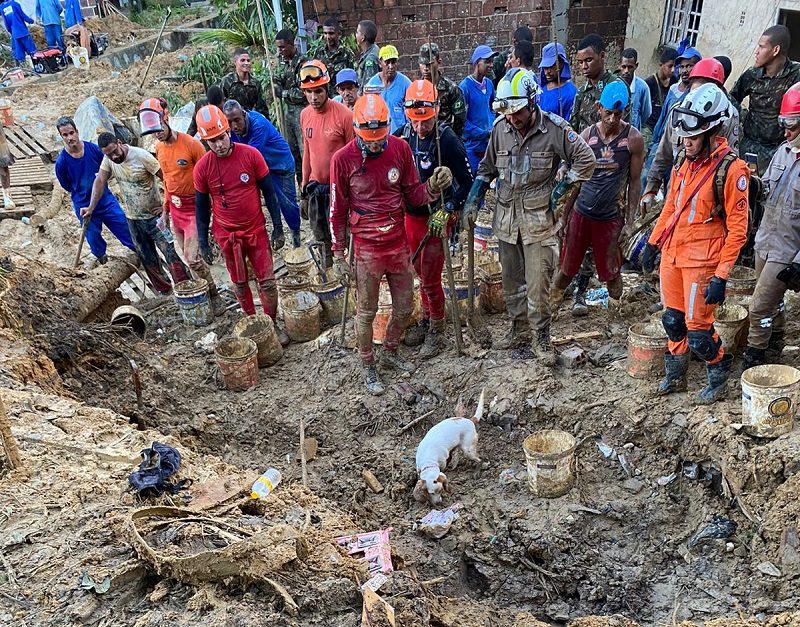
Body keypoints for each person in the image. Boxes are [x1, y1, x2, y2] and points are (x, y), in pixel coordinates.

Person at [462, 68, 596, 363]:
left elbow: (586, 160)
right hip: (507, 220)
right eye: (508, 113)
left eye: (518, 111)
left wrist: (561, 191)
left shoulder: (554, 130)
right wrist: (473, 200)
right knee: (512, 283)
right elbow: (486, 171)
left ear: (532, 102)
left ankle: (541, 337)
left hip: (539, 222)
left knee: (538, 284)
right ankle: (518, 329)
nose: (513, 118)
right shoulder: (500, 129)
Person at [329, 94, 452, 394]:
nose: (375, 145)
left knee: (405, 305)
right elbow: (337, 210)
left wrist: (433, 187)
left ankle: (391, 350)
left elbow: (413, 196)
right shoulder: (342, 160)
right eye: (369, 140)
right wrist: (337, 253)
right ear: (357, 131)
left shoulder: (400, 149)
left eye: (380, 139)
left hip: (396, 240)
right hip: (366, 245)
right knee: (367, 312)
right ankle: (368, 363)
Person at [641, 84, 749, 403]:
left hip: (703, 261)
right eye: (684, 137)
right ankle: (676, 378)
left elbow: (738, 229)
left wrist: (722, 275)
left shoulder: (732, 170)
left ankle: (718, 372)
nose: (685, 142)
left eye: (692, 137)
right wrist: (653, 242)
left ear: (712, 132)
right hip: (674, 254)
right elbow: (672, 206)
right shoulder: (684, 161)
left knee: (699, 332)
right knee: (672, 321)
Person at [192, 105, 289, 344]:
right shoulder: (203, 169)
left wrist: (277, 226)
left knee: (266, 281)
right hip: (227, 235)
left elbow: (269, 192)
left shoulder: (251, 155)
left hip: (255, 230)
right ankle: (252, 322)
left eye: (221, 138)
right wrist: (203, 242)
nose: (219, 145)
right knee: (240, 281)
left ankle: (271, 323)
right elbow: (201, 206)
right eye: (212, 141)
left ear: (228, 131)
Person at [550, 82, 644, 324]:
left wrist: (630, 223)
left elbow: (634, 183)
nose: (612, 119)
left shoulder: (632, 139)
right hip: (581, 213)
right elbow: (575, 179)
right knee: (566, 269)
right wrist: (563, 217)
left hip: (610, 217)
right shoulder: (586, 137)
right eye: (608, 113)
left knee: (612, 273)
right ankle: (549, 314)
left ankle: (613, 318)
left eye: (618, 114)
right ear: (598, 108)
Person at [396, 79, 473, 358]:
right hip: (411, 214)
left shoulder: (447, 139)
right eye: (415, 121)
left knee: (430, 275)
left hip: (436, 216)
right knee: (418, 271)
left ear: (436, 110)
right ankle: (427, 317)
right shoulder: (404, 135)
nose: (420, 127)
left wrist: (450, 205)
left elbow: (467, 180)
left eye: (425, 121)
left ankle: (437, 328)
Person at [140, 98, 225, 313]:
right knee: (188, 259)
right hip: (176, 210)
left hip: (195, 207)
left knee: (192, 258)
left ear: (166, 119)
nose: (157, 133)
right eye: (153, 131)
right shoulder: (159, 148)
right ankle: (205, 293)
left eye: (159, 128)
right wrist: (166, 211)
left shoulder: (191, 145)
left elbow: (210, 176)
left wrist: (216, 210)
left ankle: (214, 294)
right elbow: (167, 180)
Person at [84, 133, 190, 295]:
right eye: (108, 154)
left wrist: (165, 207)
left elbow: (167, 179)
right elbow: (100, 181)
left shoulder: (141, 156)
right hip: (133, 219)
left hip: (155, 219)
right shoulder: (109, 160)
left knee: (170, 254)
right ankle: (165, 292)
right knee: (147, 258)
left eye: (114, 151)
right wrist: (91, 207)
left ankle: (187, 288)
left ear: (119, 142)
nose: (114, 156)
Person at [740, 89, 800, 371]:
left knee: (759, 306)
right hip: (765, 240)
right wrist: (755, 186)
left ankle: (755, 355)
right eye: (784, 125)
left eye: (792, 126)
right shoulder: (783, 152)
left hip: (787, 249)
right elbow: (767, 188)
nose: (786, 132)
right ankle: (776, 341)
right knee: (771, 302)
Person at [569, 33, 629, 316]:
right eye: (580, 61)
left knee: (600, 237)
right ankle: (575, 283)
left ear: (604, 56)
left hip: (609, 171)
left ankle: (586, 290)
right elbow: (573, 130)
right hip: (584, 169)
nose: (584, 65)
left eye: (589, 59)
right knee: (574, 228)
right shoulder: (582, 92)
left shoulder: (614, 89)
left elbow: (626, 133)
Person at [643, 57, 741, 208]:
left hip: (706, 199)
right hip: (675, 192)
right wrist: (651, 188)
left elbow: (730, 162)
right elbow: (664, 152)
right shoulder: (678, 110)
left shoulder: (727, 117)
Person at [54, 117, 135, 265]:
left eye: (72, 133)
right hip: (83, 204)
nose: (70, 138)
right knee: (92, 236)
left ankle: (139, 253)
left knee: (123, 225)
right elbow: (66, 185)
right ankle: (101, 259)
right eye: (65, 135)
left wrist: (102, 180)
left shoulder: (93, 149)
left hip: (105, 200)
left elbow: (108, 166)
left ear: (77, 131)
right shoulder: (62, 162)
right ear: (61, 137)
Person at [222, 99, 300, 248]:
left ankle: (296, 236)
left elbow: (247, 156)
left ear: (244, 114)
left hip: (280, 165)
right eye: (229, 122)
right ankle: (273, 232)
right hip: (262, 167)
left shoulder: (258, 125)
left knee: (287, 203)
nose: (234, 126)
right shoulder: (230, 131)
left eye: (237, 120)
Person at [299, 60, 354, 266]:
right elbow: (307, 152)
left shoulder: (344, 116)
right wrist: (304, 189)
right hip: (316, 190)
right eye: (309, 92)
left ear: (327, 89)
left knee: (344, 237)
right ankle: (328, 276)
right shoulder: (305, 115)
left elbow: (354, 157)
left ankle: (351, 278)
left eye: (318, 91)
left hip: (339, 191)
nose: (314, 97)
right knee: (321, 238)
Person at [730, 25, 800, 174]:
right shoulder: (752, 74)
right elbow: (731, 98)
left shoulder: (796, 75)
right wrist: (744, 116)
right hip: (749, 149)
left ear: (775, 50)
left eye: (761, 47)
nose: (756, 51)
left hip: (780, 152)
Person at [275, 29, 307, 186]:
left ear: (291, 44)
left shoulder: (303, 63)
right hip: (288, 114)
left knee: (305, 152)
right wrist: (280, 90)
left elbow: (303, 93)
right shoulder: (281, 61)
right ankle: (301, 186)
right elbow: (275, 83)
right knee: (293, 154)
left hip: (301, 114)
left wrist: (284, 93)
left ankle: (308, 185)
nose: (279, 51)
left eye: (282, 47)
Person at [460, 45, 497, 173]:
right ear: (477, 63)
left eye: (492, 61)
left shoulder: (489, 84)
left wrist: (493, 124)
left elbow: (494, 107)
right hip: (473, 147)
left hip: (490, 144)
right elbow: (462, 121)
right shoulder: (465, 87)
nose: (491, 65)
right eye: (487, 61)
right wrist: (482, 132)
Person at [418, 42, 466, 136]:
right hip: (425, 140)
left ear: (439, 62)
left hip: (445, 139)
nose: (426, 68)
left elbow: (460, 119)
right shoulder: (417, 89)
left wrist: (452, 139)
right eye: (422, 64)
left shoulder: (451, 88)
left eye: (429, 64)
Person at [366, 45, 412, 134]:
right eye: (387, 62)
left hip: (400, 136)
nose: (391, 66)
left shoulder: (405, 83)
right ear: (380, 63)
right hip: (379, 135)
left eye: (393, 62)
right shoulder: (372, 84)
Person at [643, 47, 678, 150]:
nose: (673, 70)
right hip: (649, 127)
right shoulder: (649, 83)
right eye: (670, 66)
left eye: (675, 67)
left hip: (665, 127)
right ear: (661, 65)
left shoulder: (675, 82)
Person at [219, 48, 268, 117]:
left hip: (251, 121)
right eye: (242, 60)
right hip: (232, 121)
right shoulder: (227, 81)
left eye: (248, 60)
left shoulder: (255, 83)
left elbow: (262, 107)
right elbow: (221, 105)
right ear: (235, 62)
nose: (246, 63)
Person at [315, 18, 355, 97]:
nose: (328, 37)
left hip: (340, 99)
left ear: (338, 34)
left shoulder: (346, 54)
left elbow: (353, 79)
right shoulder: (319, 53)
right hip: (324, 99)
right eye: (325, 33)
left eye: (331, 33)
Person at [538, 42, 577, 121]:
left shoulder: (570, 93)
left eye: (551, 66)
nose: (547, 72)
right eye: (545, 68)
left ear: (561, 63)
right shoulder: (541, 89)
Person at [618, 48, 651, 131]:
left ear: (636, 66)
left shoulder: (643, 88)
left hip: (632, 136)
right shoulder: (614, 85)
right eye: (624, 67)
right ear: (619, 65)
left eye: (630, 67)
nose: (626, 71)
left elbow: (646, 113)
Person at [1, 0, 35, 65]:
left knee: (19, 52)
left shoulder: (2, 7)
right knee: (32, 50)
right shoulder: (15, 4)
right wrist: (31, 21)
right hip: (22, 31)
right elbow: (22, 15)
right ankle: (36, 65)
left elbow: (6, 22)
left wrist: (11, 31)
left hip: (14, 33)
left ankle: (24, 68)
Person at [355, 19, 380, 93]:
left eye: (357, 32)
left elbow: (370, 88)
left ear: (362, 38)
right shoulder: (373, 49)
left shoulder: (370, 59)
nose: (355, 35)